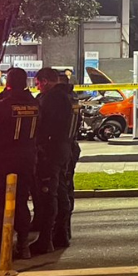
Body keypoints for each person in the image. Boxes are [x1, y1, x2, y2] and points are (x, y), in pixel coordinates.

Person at [0, 68, 39, 264]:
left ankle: (2, 247)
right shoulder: (35, 104)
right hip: (27, 160)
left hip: (5, 161)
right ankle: (23, 246)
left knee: (2, 204)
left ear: (9, 82)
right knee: (21, 202)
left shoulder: (3, 105)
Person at [29, 67, 74, 256]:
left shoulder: (50, 99)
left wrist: (39, 146)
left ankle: (46, 239)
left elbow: (43, 125)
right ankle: (61, 234)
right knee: (62, 192)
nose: (38, 87)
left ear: (45, 81)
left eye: (38, 83)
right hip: (64, 149)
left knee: (49, 196)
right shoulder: (67, 96)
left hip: (50, 151)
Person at [56, 70, 82, 249]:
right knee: (67, 187)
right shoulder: (73, 98)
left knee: (59, 191)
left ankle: (60, 232)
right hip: (70, 146)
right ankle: (65, 229)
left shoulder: (59, 100)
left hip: (60, 148)